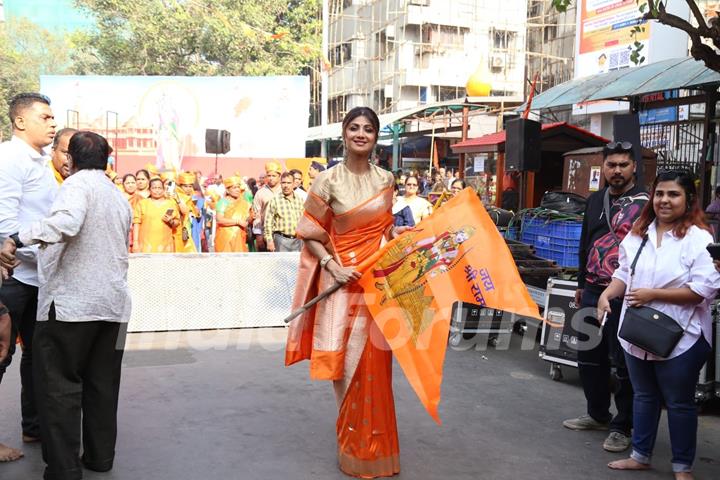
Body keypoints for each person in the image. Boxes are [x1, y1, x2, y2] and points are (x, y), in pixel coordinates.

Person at [286, 106, 410, 478]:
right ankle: (351, 441)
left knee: (375, 364)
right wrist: (332, 266)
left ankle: (374, 449)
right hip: (340, 283)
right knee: (343, 363)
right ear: (343, 133)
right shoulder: (327, 181)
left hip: (375, 285)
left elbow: (385, 232)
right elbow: (309, 232)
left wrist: (399, 240)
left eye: (368, 129)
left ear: (375, 137)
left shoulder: (386, 180)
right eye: (354, 127)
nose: (361, 134)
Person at [1, 131, 133, 480]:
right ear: (107, 160)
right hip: (115, 309)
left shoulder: (76, 186)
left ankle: (64, 469)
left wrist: (18, 238)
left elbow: (67, 222)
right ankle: (100, 458)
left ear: (71, 160)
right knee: (104, 385)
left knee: (58, 388)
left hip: (72, 308)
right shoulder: (118, 196)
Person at [598, 170, 719, 479]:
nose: (665, 200)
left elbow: (704, 289)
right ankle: (640, 455)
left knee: (679, 402)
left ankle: (682, 467)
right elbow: (624, 272)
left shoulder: (698, 238)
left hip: (682, 335)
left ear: (688, 199)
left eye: (673, 194)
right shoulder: (639, 232)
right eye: (660, 193)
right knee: (644, 395)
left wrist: (654, 294)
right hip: (636, 332)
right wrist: (608, 294)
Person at [564, 141, 649, 453]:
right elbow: (586, 240)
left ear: (634, 168)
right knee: (589, 356)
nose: (617, 171)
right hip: (593, 287)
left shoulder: (646, 203)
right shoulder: (596, 199)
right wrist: (581, 281)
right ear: (604, 168)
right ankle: (598, 414)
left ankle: (622, 426)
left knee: (624, 362)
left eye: (623, 165)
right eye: (611, 165)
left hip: (626, 291)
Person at [0, 92, 58, 457]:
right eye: (45, 117)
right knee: (0, 356)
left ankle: (34, 429)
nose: (52, 123)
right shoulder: (9, 157)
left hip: (40, 277)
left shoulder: (41, 161)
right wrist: (15, 248)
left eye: (53, 118)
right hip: (13, 277)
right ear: (20, 121)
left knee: (38, 357)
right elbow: (6, 219)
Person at [132, 177, 180, 253]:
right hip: (146, 245)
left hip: (165, 245)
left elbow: (177, 222)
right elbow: (136, 223)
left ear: (163, 189)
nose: (157, 190)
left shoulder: (171, 203)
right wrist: (135, 242)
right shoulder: (142, 203)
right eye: (154, 188)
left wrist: (171, 221)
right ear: (149, 190)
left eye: (159, 188)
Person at [264, 172, 304, 252]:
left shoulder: (299, 200)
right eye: (283, 183)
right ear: (280, 184)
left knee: (297, 264)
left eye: (289, 183)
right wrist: (269, 241)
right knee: (280, 264)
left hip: (298, 240)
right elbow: (268, 223)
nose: (286, 186)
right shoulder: (275, 200)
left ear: (293, 184)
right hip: (281, 240)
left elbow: (304, 220)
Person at [214, 177, 251, 252]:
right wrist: (237, 222)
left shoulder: (243, 203)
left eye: (238, 187)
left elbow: (246, 220)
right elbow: (219, 220)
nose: (238, 190)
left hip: (239, 237)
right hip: (225, 238)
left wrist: (252, 217)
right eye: (234, 188)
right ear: (227, 190)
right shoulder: (223, 202)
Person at [251, 161, 282, 251]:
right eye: (269, 176)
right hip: (265, 233)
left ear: (279, 177)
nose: (271, 178)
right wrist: (258, 235)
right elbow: (257, 215)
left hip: (283, 234)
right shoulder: (260, 193)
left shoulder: (284, 190)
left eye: (274, 176)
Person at [172, 171, 200, 253]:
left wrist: (196, 210)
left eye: (190, 186)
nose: (188, 188)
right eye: (185, 186)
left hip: (187, 227)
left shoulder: (191, 196)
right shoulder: (175, 196)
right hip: (176, 227)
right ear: (180, 186)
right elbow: (184, 211)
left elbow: (196, 214)